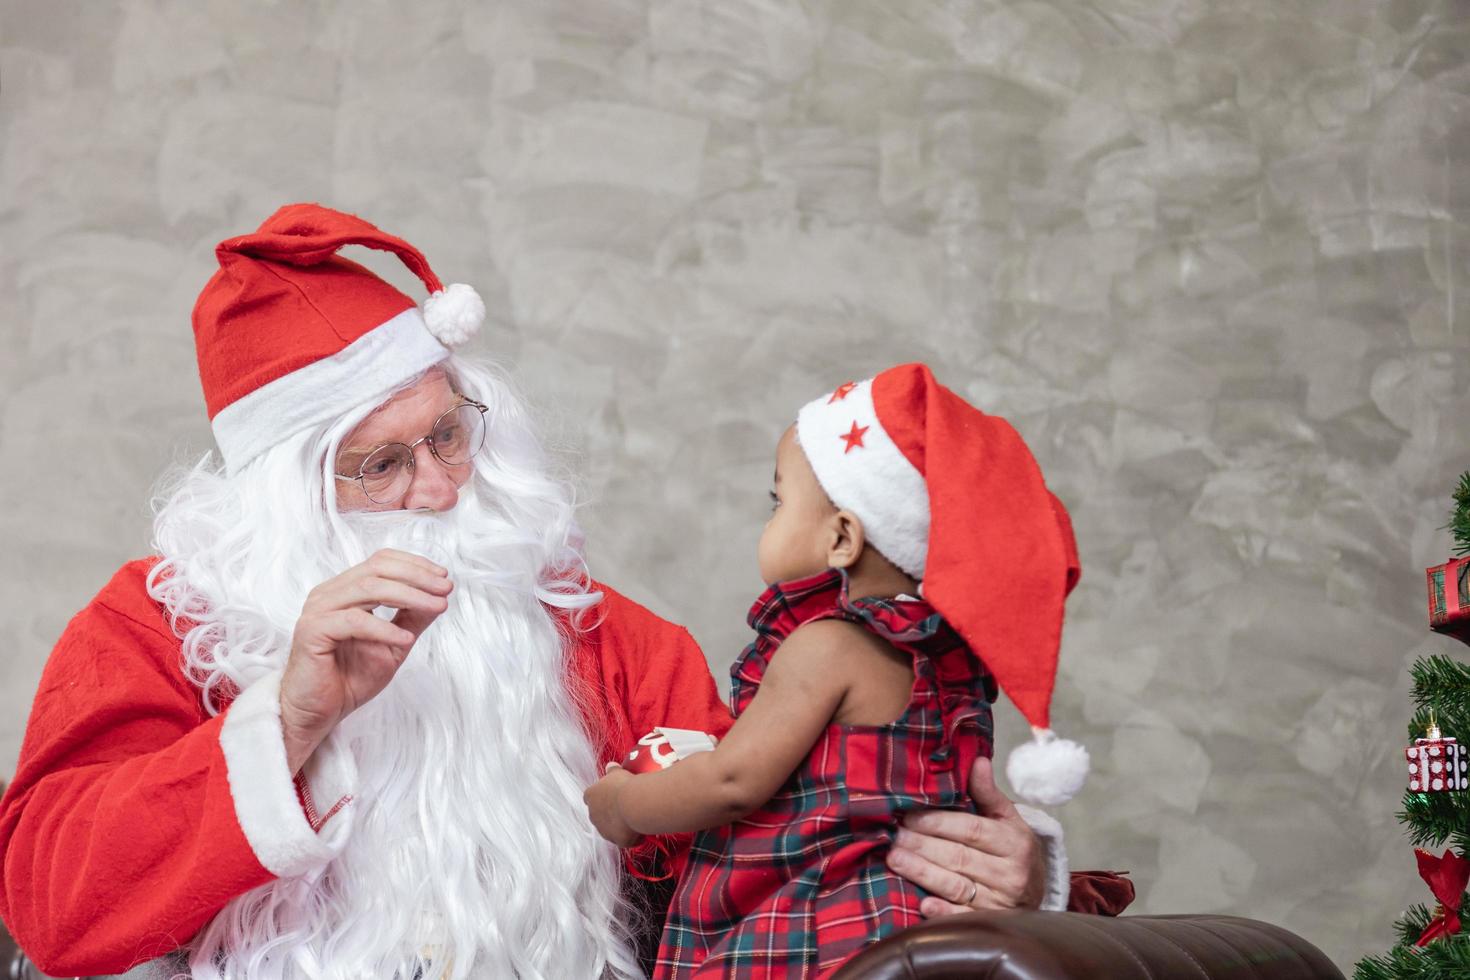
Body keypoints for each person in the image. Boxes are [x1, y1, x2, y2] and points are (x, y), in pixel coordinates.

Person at [0, 205, 1103, 980]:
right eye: (381, 465)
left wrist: (1022, 876)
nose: (438, 489)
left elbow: (811, 826)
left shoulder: (597, 636)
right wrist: (286, 721)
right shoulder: (163, 623)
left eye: (447, 433)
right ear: (287, 496)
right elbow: (51, 911)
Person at [583, 364, 1089, 978]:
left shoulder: (825, 647)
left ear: (843, 538)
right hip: (911, 923)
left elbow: (733, 782)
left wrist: (625, 805)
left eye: (779, 503)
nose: (769, 520)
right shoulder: (949, 665)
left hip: (817, 924)